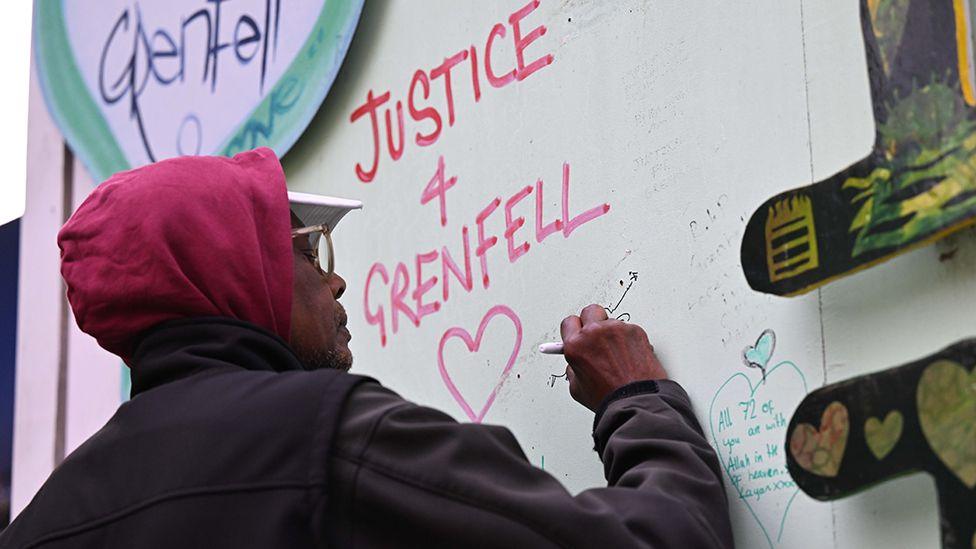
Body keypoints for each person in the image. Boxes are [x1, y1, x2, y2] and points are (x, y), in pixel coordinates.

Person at [0, 148, 733, 548]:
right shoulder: (324, 438)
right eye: (310, 251)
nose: (338, 278)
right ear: (240, 270)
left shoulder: (40, 524)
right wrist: (638, 403)